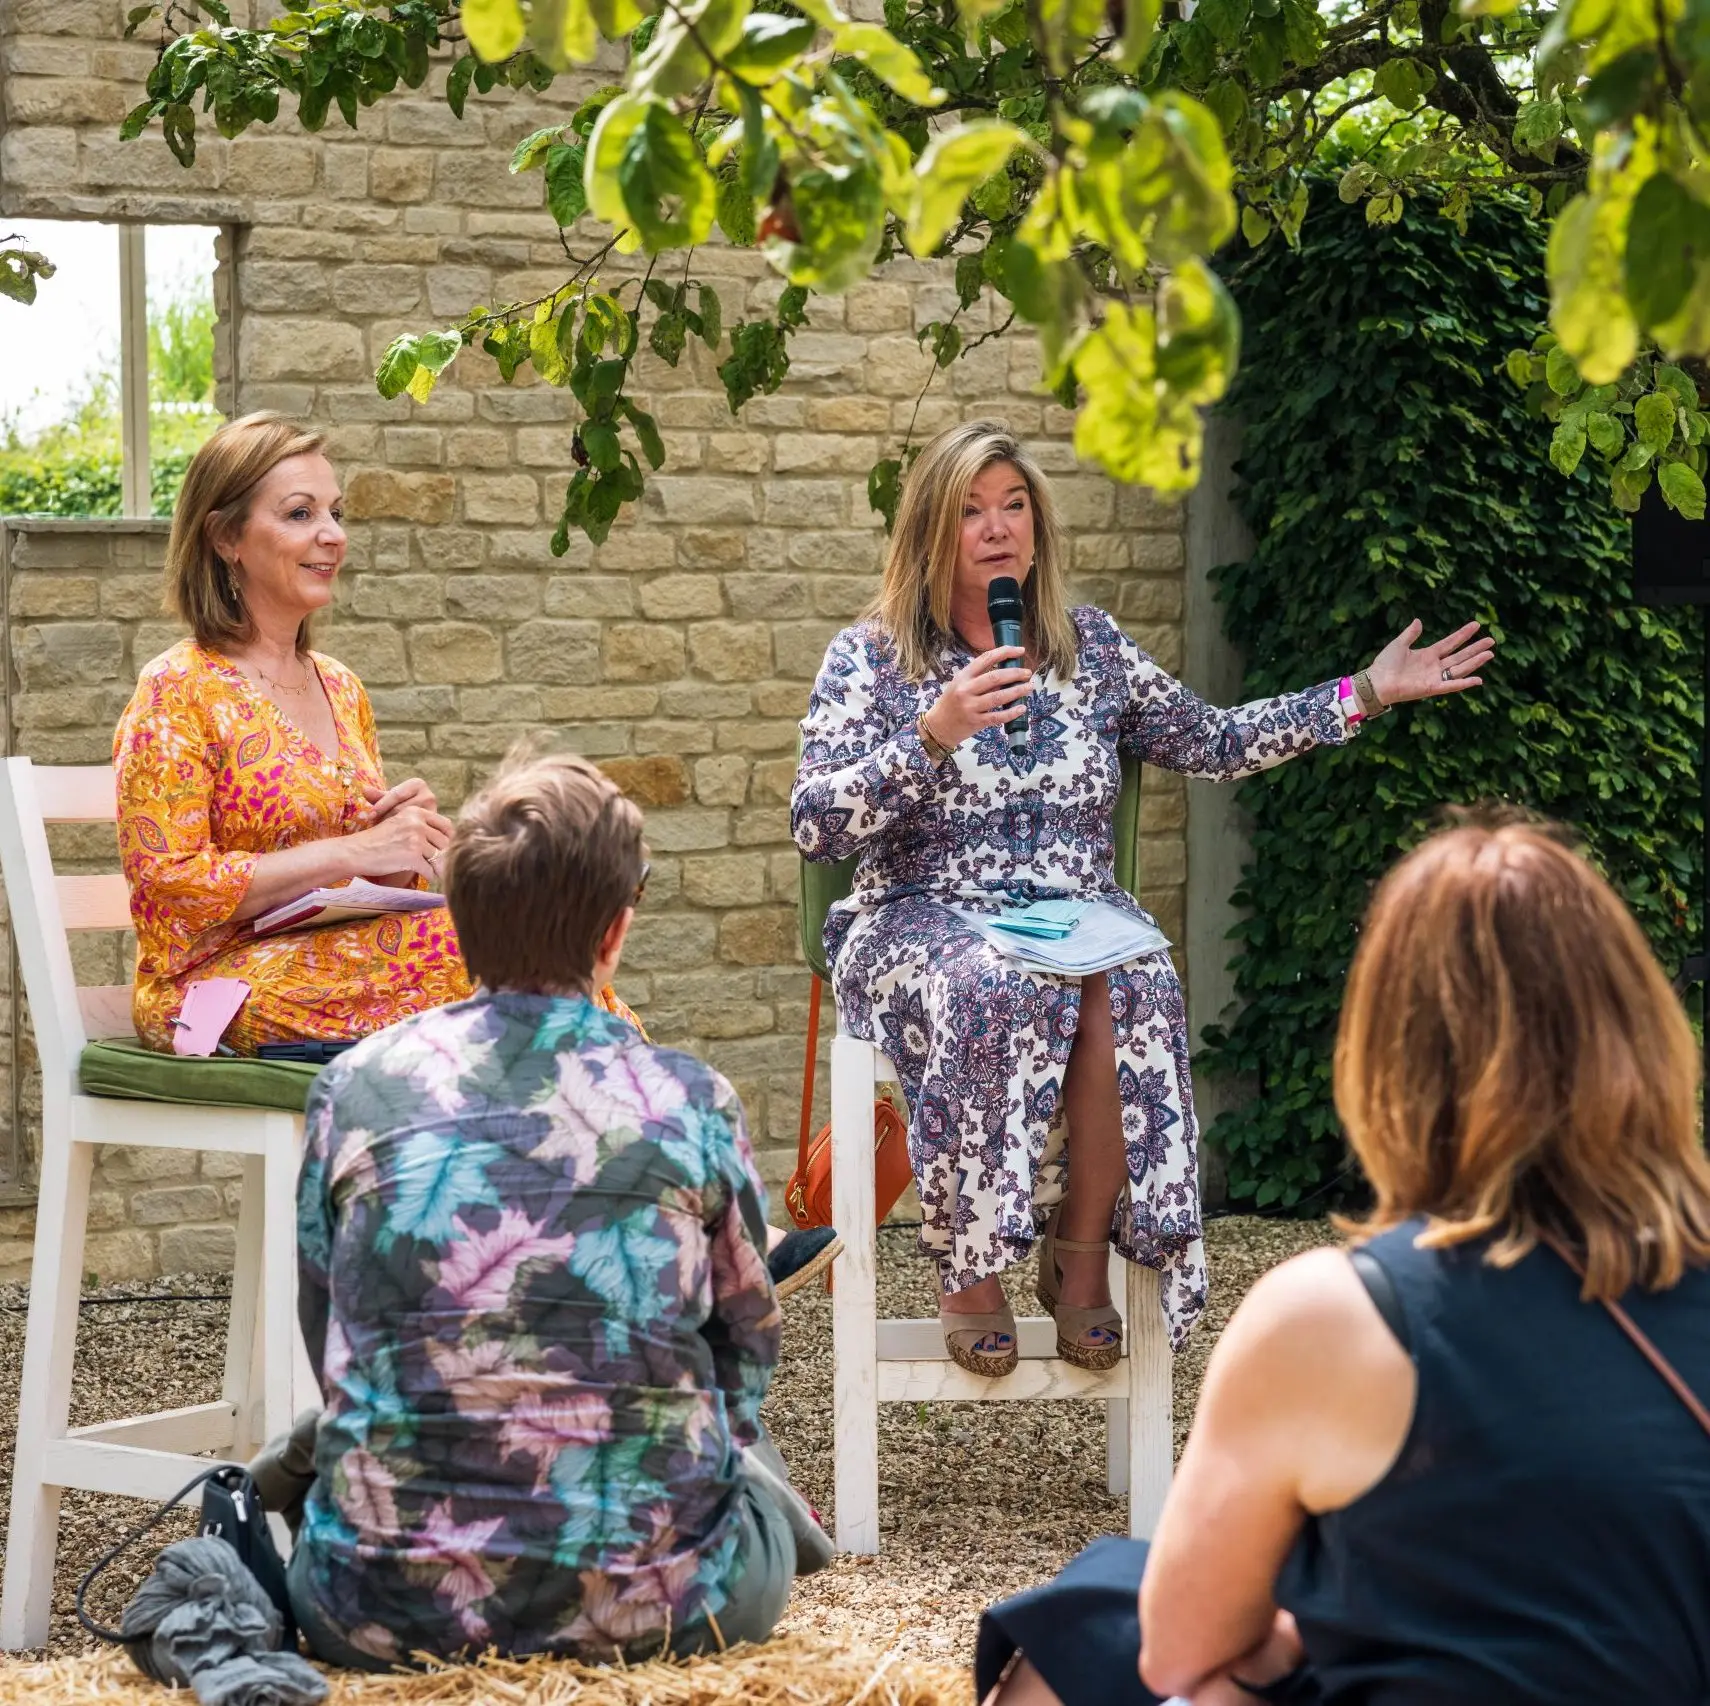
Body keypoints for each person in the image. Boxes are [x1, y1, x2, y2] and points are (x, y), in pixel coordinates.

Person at [790, 419, 1493, 1372]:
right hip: (920, 911)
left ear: (1037, 528)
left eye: (1014, 506)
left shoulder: (1093, 651)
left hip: (1071, 911)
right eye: (969, 511)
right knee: (991, 981)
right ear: (929, 533)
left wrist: (1363, 691)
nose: (997, 528)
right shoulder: (871, 659)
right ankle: (969, 1267)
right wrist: (933, 730)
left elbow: (1214, 740)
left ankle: (1078, 1257)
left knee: (1138, 978)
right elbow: (817, 823)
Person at [976, 817, 1710, 1706]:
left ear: (1391, 1056)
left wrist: (1283, 1633)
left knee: (1094, 1619)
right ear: (1644, 1034)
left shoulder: (1334, 1315)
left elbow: (1175, 1653)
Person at [271, 750, 832, 1670]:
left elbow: (327, 1326)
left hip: (377, 1611)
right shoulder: (687, 1098)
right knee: (739, 1473)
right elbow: (745, 1344)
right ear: (615, 932)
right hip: (663, 1607)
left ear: (456, 921)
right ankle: (776, 1511)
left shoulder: (353, 1090)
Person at [111, 411, 641, 1055]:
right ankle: (624, 1119)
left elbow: (353, 890)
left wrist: (407, 849)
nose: (332, 535)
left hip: (338, 954)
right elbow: (168, 888)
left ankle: (607, 1118)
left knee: (530, 942)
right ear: (226, 537)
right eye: (301, 514)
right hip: (206, 988)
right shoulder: (178, 688)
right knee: (485, 953)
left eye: (336, 513)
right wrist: (354, 854)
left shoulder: (340, 688)